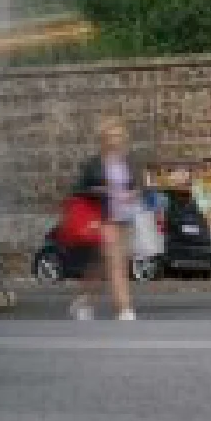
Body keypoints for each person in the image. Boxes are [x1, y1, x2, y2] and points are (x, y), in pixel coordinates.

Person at [69, 117, 139, 322]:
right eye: (111, 136)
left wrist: (134, 193)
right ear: (104, 139)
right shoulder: (94, 164)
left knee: (101, 265)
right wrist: (102, 190)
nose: (115, 139)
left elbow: (137, 185)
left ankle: (84, 301)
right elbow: (79, 189)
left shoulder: (128, 162)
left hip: (125, 218)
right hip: (103, 218)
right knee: (115, 264)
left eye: (118, 135)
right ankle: (124, 309)